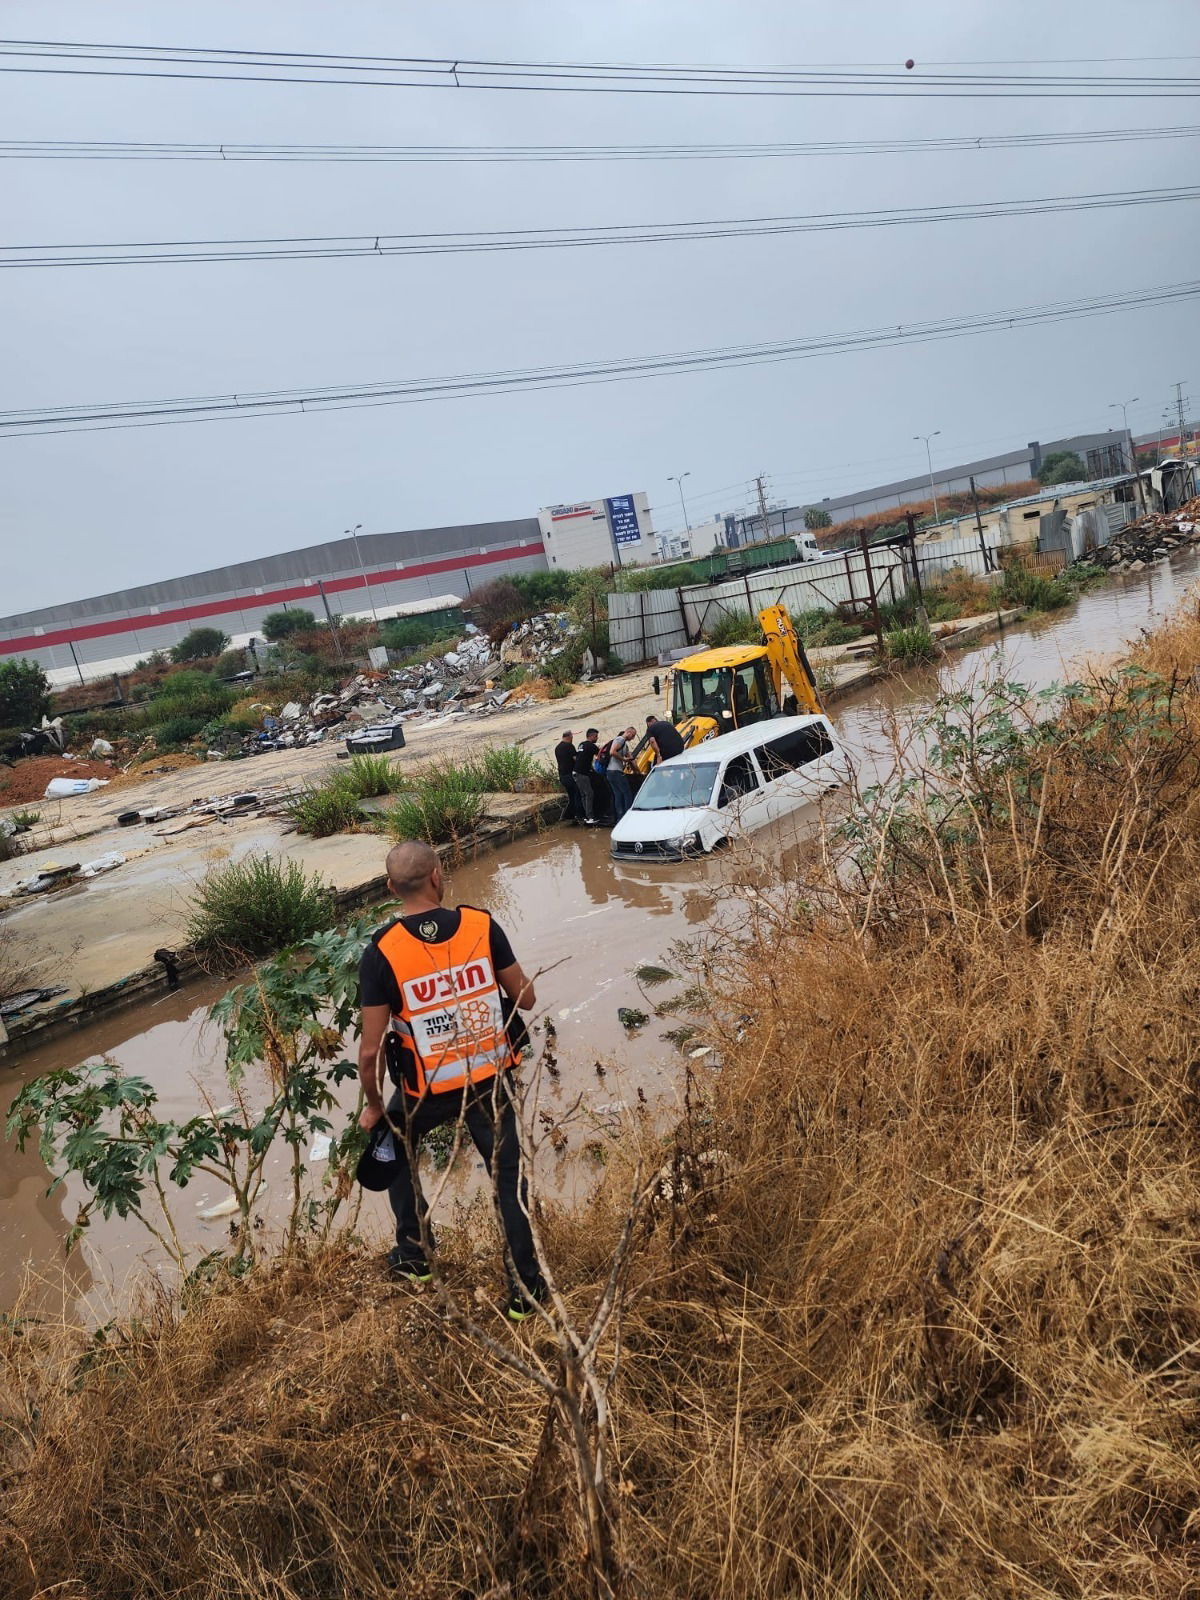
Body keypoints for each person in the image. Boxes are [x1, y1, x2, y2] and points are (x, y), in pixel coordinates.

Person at [356, 840, 546, 1321]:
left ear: (390, 888)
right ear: (438, 876)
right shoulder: (482, 925)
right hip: (488, 1083)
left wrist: (375, 1106)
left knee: (393, 1147)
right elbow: (525, 998)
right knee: (508, 1180)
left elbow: (371, 1051)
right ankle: (526, 1292)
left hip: (424, 1091)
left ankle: (415, 1256)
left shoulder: (381, 950)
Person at [606, 727, 635, 820]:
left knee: (618, 794)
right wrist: (623, 759)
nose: (633, 738)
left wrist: (636, 771)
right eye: (633, 735)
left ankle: (620, 818)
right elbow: (612, 752)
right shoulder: (620, 739)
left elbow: (631, 759)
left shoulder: (624, 744)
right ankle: (628, 817)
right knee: (627, 793)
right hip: (616, 771)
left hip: (610, 772)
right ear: (628, 732)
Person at [573, 726, 600, 825]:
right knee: (589, 794)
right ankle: (590, 818)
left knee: (584, 795)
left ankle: (586, 816)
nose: (597, 738)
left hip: (575, 772)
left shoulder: (581, 744)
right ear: (592, 736)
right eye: (596, 736)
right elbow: (601, 756)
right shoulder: (591, 746)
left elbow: (580, 758)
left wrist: (591, 769)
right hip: (582, 774)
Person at [554, 729, 581, 822]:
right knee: (578, 793)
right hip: (570, 775)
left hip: (562, 776)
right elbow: (575, 759)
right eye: (572, 737)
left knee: (571, 796)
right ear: (569, 737)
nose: (572, 739)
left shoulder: (557, 747)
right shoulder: (569, 746)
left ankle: (567, 815)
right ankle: (578, 815)